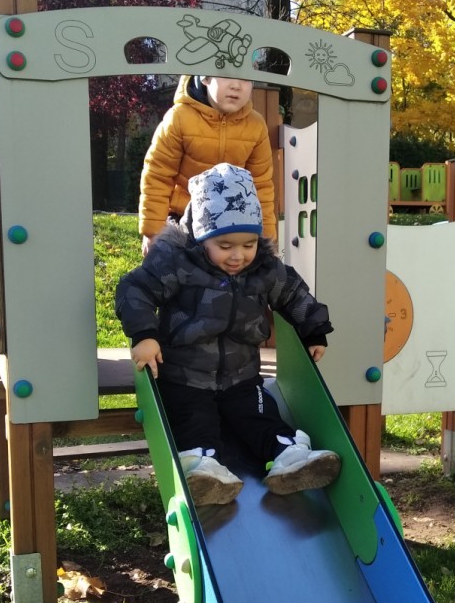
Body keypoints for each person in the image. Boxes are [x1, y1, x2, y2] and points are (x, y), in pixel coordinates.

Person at [116, 163, 339, 505]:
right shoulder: (177, 263)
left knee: (260, 415)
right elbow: (135, 290)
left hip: (241, 376)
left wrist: (314, 329)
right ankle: (202, 469)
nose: (238, 256)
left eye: (249, 244)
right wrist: (145, 334)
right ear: (201, 236)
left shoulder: (262, 268)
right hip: (185, 377)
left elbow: (293, 293)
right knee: (195, 423)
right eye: (225, 245)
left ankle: (290, 457)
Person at [138, 75, 277, 256]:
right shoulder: (179, 118)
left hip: (232, 220)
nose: (236, 86)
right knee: (172, 264)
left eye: (245, 78)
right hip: (184, 217)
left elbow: (261, 184)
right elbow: (158, 175)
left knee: (237, 265)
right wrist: (153, 231)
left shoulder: (255, 125)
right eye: (226, 76)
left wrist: (266, 239)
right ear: (205, 78)